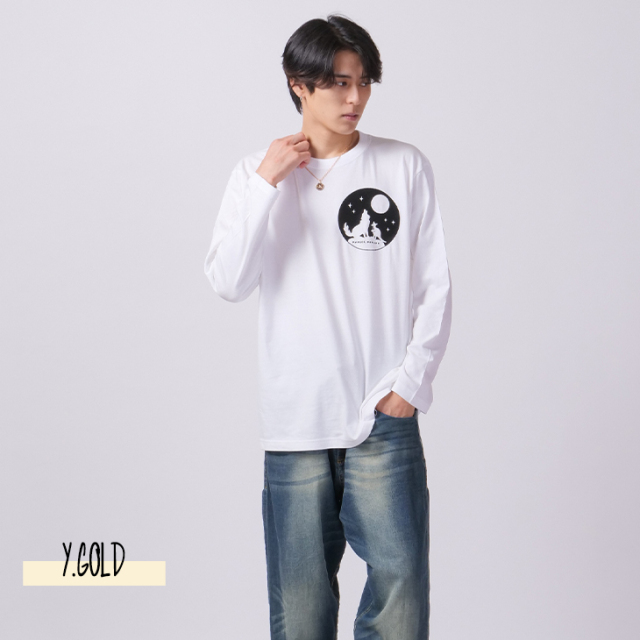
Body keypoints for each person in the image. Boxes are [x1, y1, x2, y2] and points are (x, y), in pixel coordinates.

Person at [204, 13, 452, 640]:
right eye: (339, 83)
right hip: (296, 421)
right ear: (299, 85)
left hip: (381, 415)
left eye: (364, 82)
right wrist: (266, 183)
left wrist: (408, 387)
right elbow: (229, 281)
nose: (355, 97)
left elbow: (435, 284)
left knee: (401, 596)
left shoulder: (402, 165)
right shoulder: (255, 175)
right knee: (301, 610)